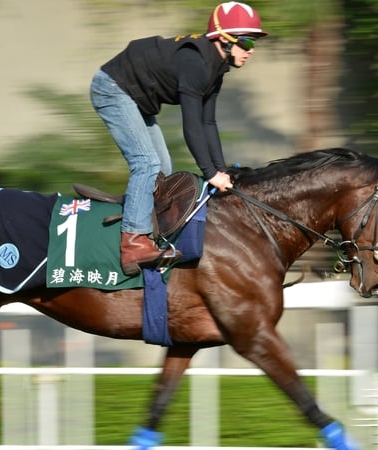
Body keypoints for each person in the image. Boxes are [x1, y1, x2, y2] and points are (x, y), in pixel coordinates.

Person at [90, 2, 267, 276]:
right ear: (224, 39)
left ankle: (151, 234)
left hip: (136, 99)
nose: (251, 49)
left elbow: (209, 122)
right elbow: (192, 125)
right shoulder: (196, 62)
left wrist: (221, 169)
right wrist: (210, 173)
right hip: (112, 88)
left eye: (253, 41)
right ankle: (134, 243)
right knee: (147, 164)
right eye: (245, 41)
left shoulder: (217, 68)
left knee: (162, 172)